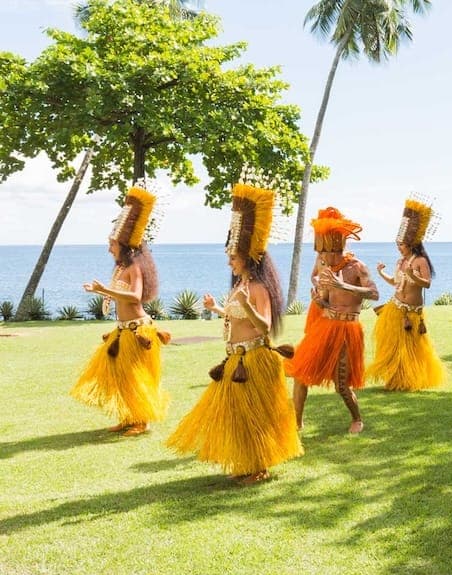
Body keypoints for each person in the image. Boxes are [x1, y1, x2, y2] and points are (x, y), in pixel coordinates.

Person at [167, 176, 302, 485]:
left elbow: (264, 325)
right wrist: (217, 308)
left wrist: (246, 303)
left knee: (254, 415)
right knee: (237, 415)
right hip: (235, 360)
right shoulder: (240, 286)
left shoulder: (257, 288)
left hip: (253, 360)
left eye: (233, 256)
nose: (229, 261)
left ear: (248, 257)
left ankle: (260, 467)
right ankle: (247, 462)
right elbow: (235, 317)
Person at [72, 181, 170, 436]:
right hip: (122, 330)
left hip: (139, 332)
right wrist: (103, 291)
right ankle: (128, 416)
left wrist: (103, 290)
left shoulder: (134, 268)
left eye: (112, 244)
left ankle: (142, 420)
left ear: (124, 246)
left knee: (135, 376)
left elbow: (134, 297)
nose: (109, 247)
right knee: (121, 376)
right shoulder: (119, 268)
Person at [286, 207, 378, 434]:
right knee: (300, 374)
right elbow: (320, 289)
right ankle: (296, 422)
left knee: (341, 385)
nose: (324, 258)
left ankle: (357, 419)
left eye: (327, 254)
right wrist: (319, 300)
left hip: (348, 329)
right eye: (320, 253)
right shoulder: (324, 265)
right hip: (325, 325)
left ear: (339, 248)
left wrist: (343, 285)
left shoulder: (357, 266)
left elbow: (374, 294)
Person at [368, 197, 446, 391]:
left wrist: (414, 275)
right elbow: (396, 282)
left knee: (411, 348)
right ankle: (395, 378)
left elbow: (426, 284)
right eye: (397, 245)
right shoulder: (399, 262)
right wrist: (381, 273)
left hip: (412, 313)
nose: (399, 247)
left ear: (411, 244)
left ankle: (409, 379)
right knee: (395, 347)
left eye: (401, 244)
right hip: (395, 308)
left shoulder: (420, 261)